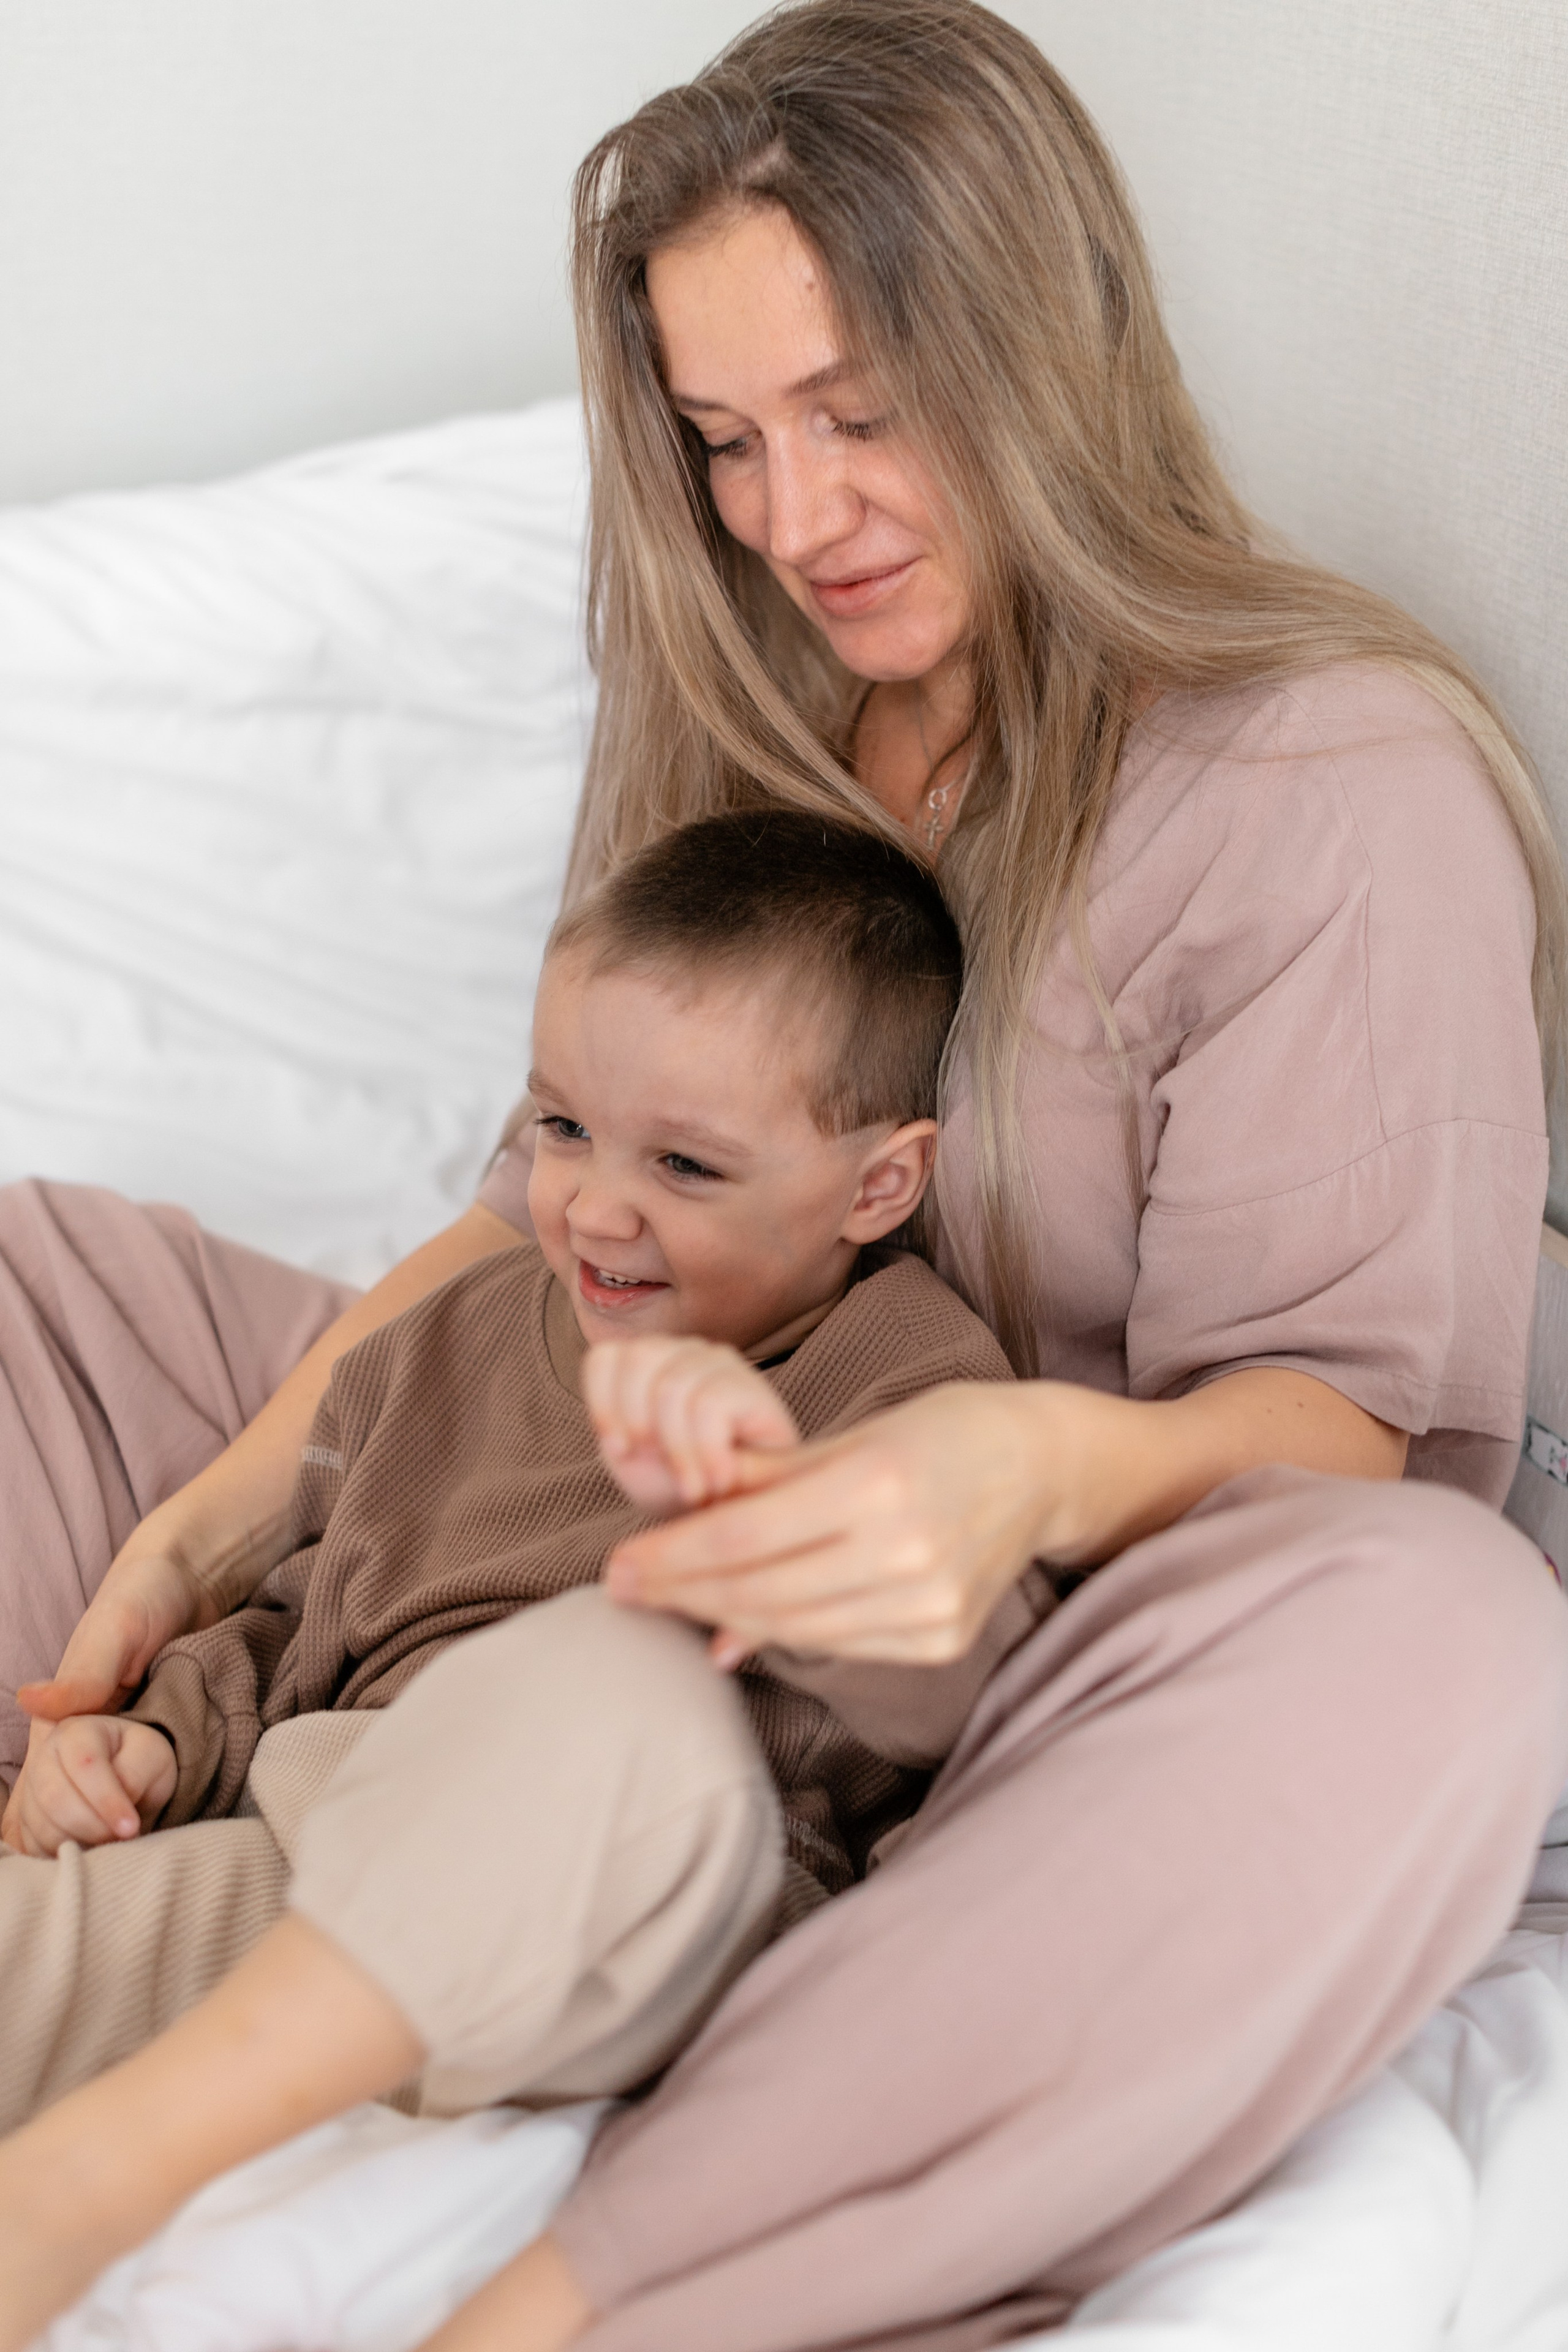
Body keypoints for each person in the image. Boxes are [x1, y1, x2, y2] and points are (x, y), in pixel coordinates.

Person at [2, 3, 1567, 2348]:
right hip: (520, 1481)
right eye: (724, 439)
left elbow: (1352, 1440)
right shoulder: (745, 699)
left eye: (860, 415)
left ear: (1051, 352)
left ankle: (584, 2292)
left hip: (948, 1671)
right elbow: (543, 1207)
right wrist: (220, 1513)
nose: (791, 517)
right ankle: (168, 1811)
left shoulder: (1326, 783)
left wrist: (1006, 1465)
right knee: (42, 1270)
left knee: (1449, 1636)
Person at [0, 811, 1047, 2180]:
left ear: (878, 1184)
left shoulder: (908, 1383)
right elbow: (302, 1625)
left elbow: (965, 1694)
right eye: (564, 1128)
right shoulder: (442, 1350)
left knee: (601, 1679)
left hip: (626, 1919)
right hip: (318, 1863)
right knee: (62, 1942)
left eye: (682, 1165)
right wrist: (153, 1742)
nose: (596, 1210)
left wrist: (772, 1503)